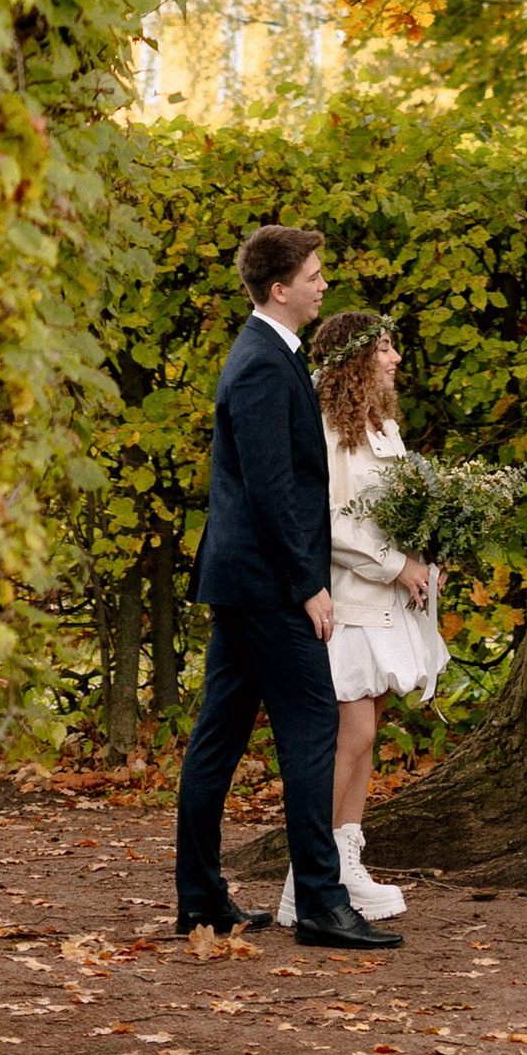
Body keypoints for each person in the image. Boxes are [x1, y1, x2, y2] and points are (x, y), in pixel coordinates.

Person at [173, 225, 401, 952]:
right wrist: (310, 585)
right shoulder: (267, 366)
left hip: (241, 578)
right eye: (313, 275)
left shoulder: (269, 355)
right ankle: (323, 904)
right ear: (281, 289)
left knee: (218, 738)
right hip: (269, 584)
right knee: (313, 731)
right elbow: (275, 489)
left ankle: (202, 900)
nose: (322, 284)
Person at [272, 308, 444, 927]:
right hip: (349, 598)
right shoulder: (327, 428)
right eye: (386, 349)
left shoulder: (383, 428)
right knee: (353, 734)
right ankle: (305, 876)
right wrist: (396, 565)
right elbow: (334, 523)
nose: (396, 359)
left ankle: (345, 859)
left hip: (387, 604)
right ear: (356, 359)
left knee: (368, 730)